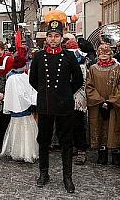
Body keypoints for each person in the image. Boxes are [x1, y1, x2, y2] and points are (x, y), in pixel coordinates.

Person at [29, 13, 83, 193]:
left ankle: (67, 177)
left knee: (66, 142)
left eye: (56, 36)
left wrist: (65, 93)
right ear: (47, 37)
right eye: (50, 36)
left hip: (64, 106)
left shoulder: (68, 56)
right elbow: (33, 80)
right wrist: (46, 92)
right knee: (43, 140)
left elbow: (78, 79)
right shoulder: (38, 56)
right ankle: (44, 173)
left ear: (61, 37)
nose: (53, 39)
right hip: (45, 105)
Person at [85, 43, 120, 166]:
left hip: (114, 104)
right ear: (98, 54)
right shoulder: (92, 69)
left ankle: (116, 153)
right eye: (101, 53)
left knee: (115, 127)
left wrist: (111, 101)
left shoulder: (119, 69)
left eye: (106, 53)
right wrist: (100, 101)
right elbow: (89, 86)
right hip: (98, 104)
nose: (104, 55)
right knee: (99, 126)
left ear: (111, 54)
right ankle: (102, 153)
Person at [0, 56, 38, 163]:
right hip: (26, 110)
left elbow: (9, 94)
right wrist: (32, 102)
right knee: (27, 131)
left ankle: (16, 151)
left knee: (16, 130)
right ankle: (27, 152)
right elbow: (30, 91)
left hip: (14, 110)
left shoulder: (10, 77)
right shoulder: (25, 77)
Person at [65, 40, 89, 165]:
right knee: (69, 123)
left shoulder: (82, 62)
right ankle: (74, 146)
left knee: (79, 124)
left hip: (78, 97)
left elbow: (81, 80)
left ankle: (81, 149)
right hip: (67, 96)